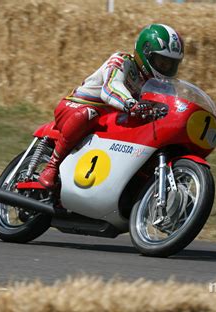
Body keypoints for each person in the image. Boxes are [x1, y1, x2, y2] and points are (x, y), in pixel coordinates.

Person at [37, 24, 185, 189]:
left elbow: (169, 105)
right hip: (78, 106)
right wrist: (131, 104)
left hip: (111, 121)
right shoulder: (122, 61)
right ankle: (52, 166)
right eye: (162, 62)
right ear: (145, 53)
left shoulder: (160, 85)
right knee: (88, 114)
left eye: (171, 64)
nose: (166, 68)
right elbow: (110, 89)